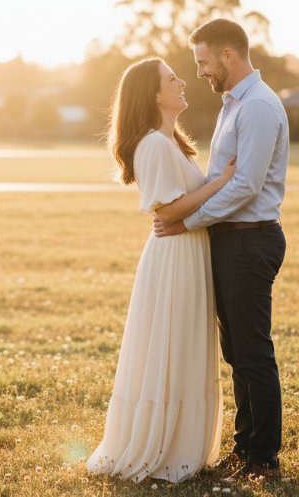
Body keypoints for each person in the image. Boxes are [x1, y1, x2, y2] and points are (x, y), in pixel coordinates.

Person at [86, 57, 235, 483]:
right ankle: (160, 447)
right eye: (172, 79)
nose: (182, 81)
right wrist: (220, 182)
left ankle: (179, 443)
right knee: (170, 345)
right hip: (173, 258)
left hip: (188, 253)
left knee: (183, 344)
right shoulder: (152, 144)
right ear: (154, 95)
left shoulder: (172, 143)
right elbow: (167, 210)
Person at [154, 18, 290, 480]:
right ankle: (246, 447)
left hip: (250, 239)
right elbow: (219, 178)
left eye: (205, 62)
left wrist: (187, 220)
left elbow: (246, 186)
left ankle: (264, 459)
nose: (201, 72)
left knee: (253, 352)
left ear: (229, 55)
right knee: (237, 352)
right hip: (232, 238)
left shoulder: (256, 108)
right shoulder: (235, 104)